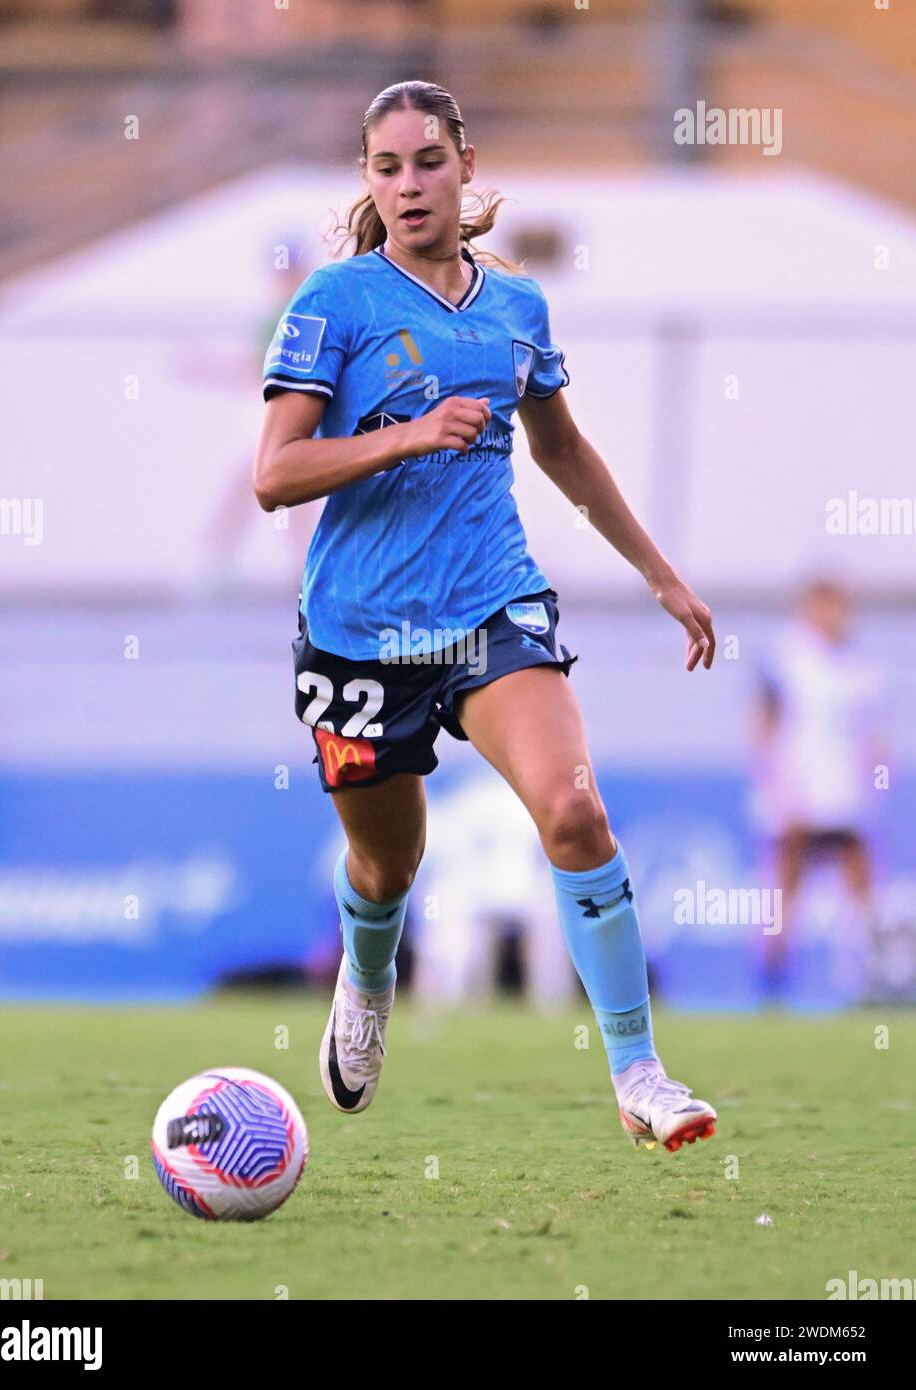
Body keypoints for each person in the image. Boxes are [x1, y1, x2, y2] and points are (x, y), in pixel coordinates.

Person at [253, 81, 718, 1153]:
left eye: (426, 160)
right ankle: (366, 981)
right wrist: (405, 436)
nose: (408, 185)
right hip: (362, 633)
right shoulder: (334, 302)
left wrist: (656, 571)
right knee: (387, 867)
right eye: (385, 167)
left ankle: (637, 1071)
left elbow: (558, 448)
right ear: (366, 181)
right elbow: (275, 475)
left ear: (464, 162)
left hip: (489, 606)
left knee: (573, 812)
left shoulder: (515, 308)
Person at [752, 576, 885, 1002]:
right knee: (786, 890)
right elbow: (763, 726)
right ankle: (772, 981)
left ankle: (868, 977)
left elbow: (868, 732)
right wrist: (777, 784)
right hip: (798, 793)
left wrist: (876, 769)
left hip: (842, 795)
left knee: (861, 888)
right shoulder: (785, 660)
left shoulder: (855, 669)